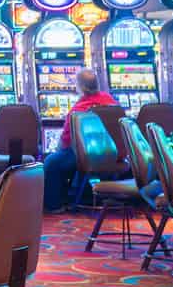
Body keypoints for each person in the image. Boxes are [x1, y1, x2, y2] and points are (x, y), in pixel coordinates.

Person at [42, 69, 121, 212]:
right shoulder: (110, 101)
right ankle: (82, 194)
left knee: (50, 162)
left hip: (87, 156)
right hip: (114, 155)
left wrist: (55, 152)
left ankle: (54, 205)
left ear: (81, 87)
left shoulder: (79, 109)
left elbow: (65, 141)